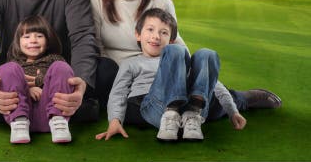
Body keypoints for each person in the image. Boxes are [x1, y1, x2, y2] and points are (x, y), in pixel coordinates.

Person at [89, 0, 281, 127]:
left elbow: (178, 48)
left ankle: (239, 99)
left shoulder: (160, 1)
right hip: (119, 73)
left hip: (159, 73)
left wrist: (197, 80)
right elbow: (93, 43)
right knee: (104, 72)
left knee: (197, 106)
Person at [97, 8, 244, 141]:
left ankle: (193, 115)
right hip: (153, 107)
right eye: (150, 29)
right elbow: (118, 92)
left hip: (188, 108)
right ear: (138, 34)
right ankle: (170, 113)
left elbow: (213, 85)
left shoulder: (181, 60)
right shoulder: (131, 63)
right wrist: (115, 120)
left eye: (164, 32)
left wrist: (232, 111)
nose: (156, 36)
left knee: (206, 54)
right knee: (176, 51)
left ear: (171, 39)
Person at [0, 15, 73, 144]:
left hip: (49, 112)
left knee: (62, 68)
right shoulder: (16, 64)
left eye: (39, 36)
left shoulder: (54, 59)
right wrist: (29, 88)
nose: (33, 40)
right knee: (6, 69)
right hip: (21, 112)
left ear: (48, 41)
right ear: (18, 42)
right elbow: (12, 84)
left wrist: (40, 81)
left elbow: (60, 80)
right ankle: (19, 121)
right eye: (26, 37)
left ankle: (59, 121)